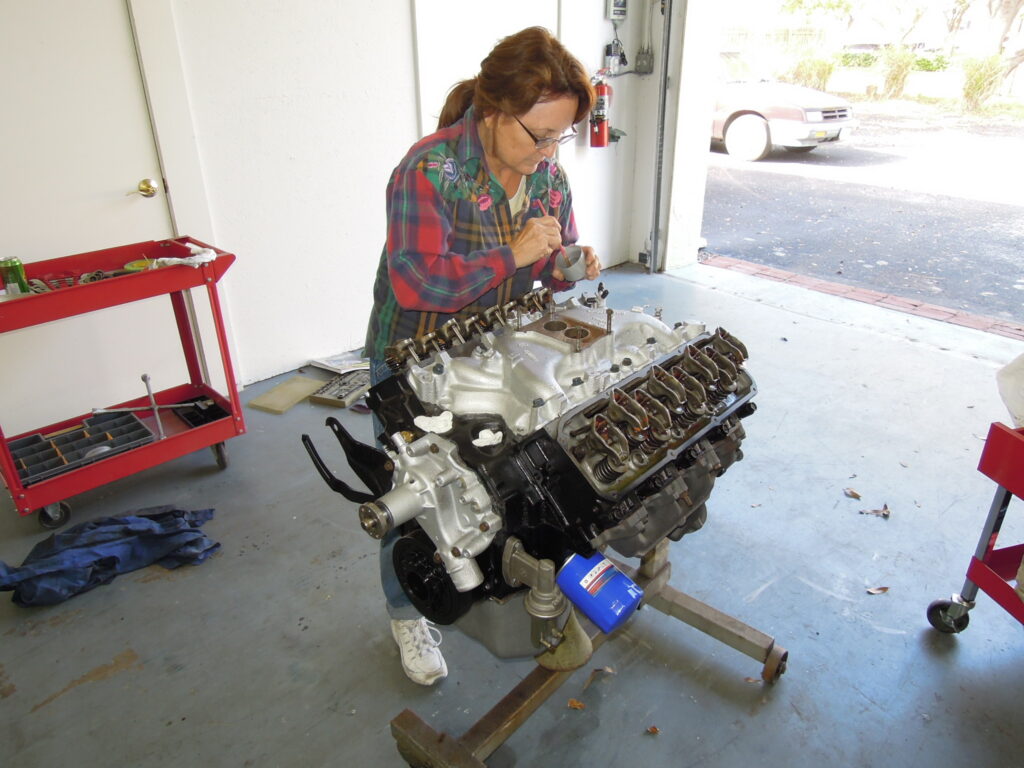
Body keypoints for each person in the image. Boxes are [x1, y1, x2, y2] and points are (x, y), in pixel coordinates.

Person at [363, 26, 601, 686]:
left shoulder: (547, 173)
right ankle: (406, 611)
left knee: (513, 481)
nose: (550, 152)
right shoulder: (428, 170)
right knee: (416, 497)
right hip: (411, 362)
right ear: (493, 112)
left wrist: (567, 264)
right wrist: (513, 255)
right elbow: (418, 282)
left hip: (495, 352)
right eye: (538, 135)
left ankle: (526, 587)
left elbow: (550, 263)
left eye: (561, 136)